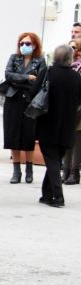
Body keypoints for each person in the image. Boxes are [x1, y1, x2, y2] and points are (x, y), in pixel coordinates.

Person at [31, 45, 81, 207]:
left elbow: (33, 93)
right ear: (70, 58)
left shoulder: (48, 72)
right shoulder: (76, 77)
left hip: (47, 124)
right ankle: (46, 195)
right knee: (55, 159)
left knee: (52, 161)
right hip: (68, 126)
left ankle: (58, 197)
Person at [2, 32, 47, 184]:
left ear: (34, 45)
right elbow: (8, 75)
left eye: (27, 43)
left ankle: (29, 168)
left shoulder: (40, 60)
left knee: (29, 134)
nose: (24, 46)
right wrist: (27, 77)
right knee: (12, 134)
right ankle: (16, 170)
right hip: (13, 99)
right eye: (21, 43)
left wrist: (19, 80)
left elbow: (39, 81)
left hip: (30, 100)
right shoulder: (14, 58)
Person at [62, 39, 81, 185]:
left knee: (76, 140)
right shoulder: (65, 66)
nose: (71, 50)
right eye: (69, 47)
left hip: (79, 107)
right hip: (66, 106)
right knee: (66, 139)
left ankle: (75, 172)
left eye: (74, 47)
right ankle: (66, 171)